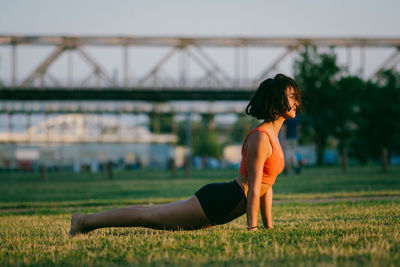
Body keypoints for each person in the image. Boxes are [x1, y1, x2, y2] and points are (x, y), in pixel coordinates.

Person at [69, 73, 301, 235]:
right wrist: (252, 229)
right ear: (276, 101)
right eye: (291, 97)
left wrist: (269, 228)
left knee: (151, 215)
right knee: (148, 216)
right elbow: (253, 188)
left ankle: (86, 222)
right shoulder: (261, 138)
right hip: (220, 201)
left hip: (224, 205)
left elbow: (266, 188)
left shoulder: (274, 137)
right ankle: (84, 221)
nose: (296, 102)